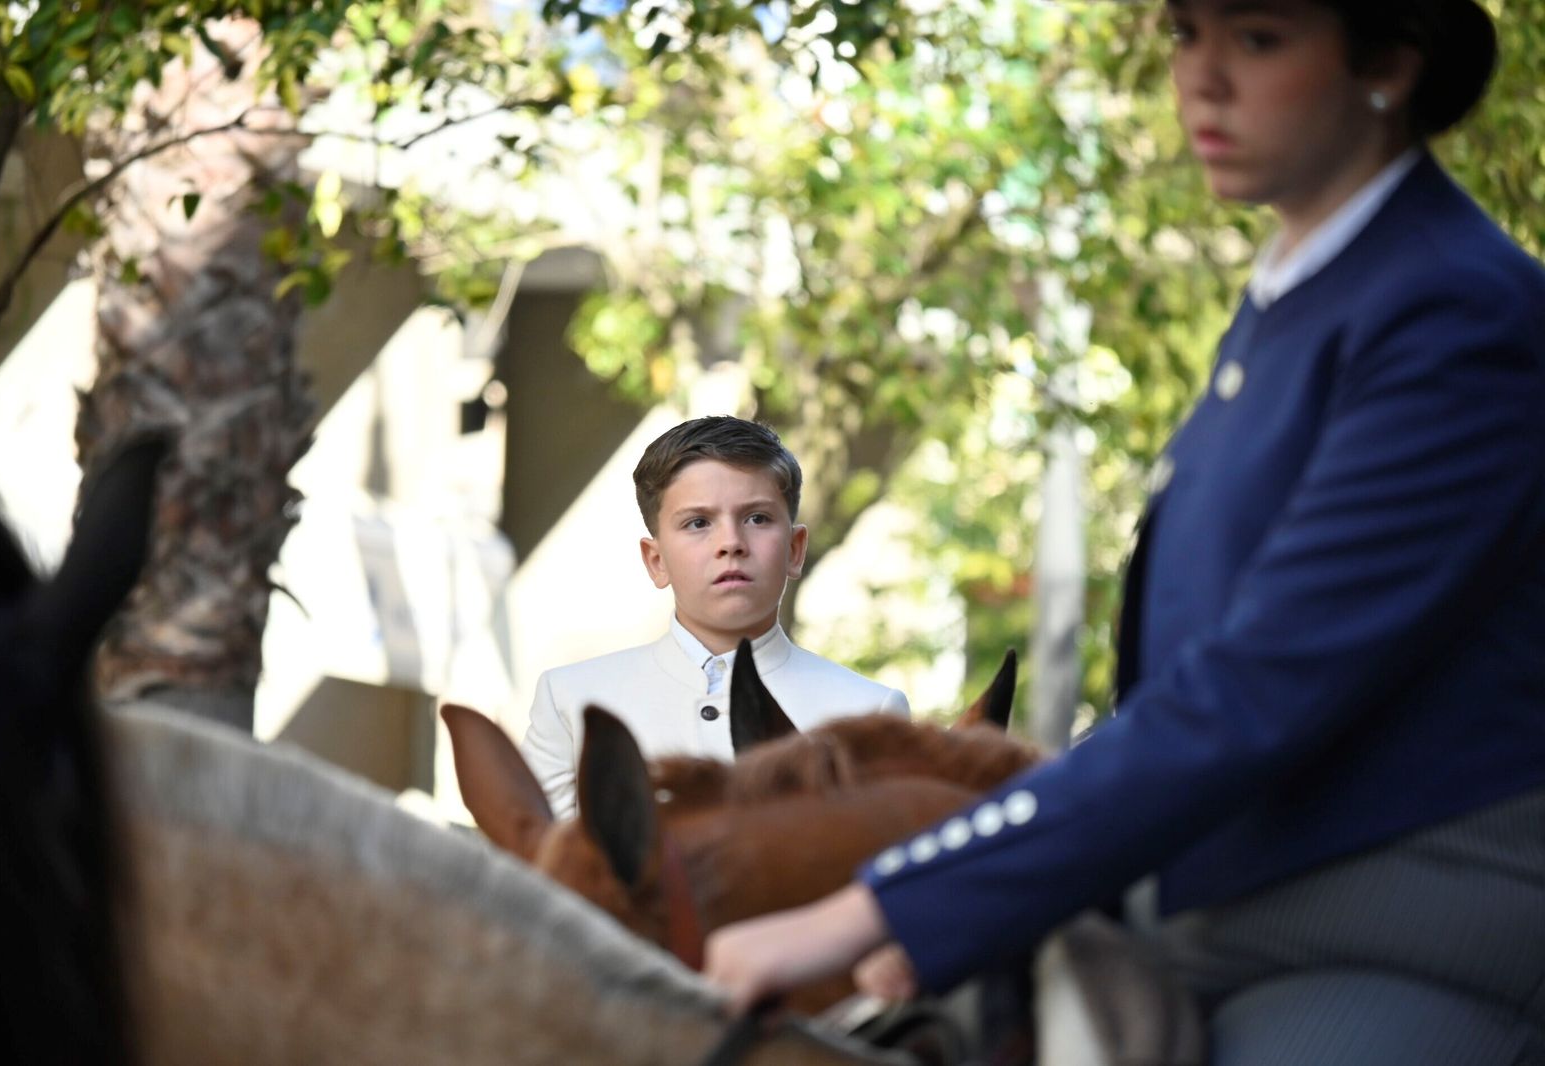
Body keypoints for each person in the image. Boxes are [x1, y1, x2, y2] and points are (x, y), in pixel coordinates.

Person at [705, 1, 1545, 1061]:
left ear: (1386, 65)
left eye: (1258, 39)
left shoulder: (1451, 312)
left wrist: (876, 906)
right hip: (1218, 904)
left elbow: (1251, 691)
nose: (1201, 78)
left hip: (1401, 922)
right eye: (1186, 34)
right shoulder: (1300, 299)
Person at [521, 415, 909, 819]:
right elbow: (530, 864)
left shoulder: (870, 712)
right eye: (698, 523)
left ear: (795, 549)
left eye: (757, 518)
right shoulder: (571, 699)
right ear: (656, 561)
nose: (731, 544)